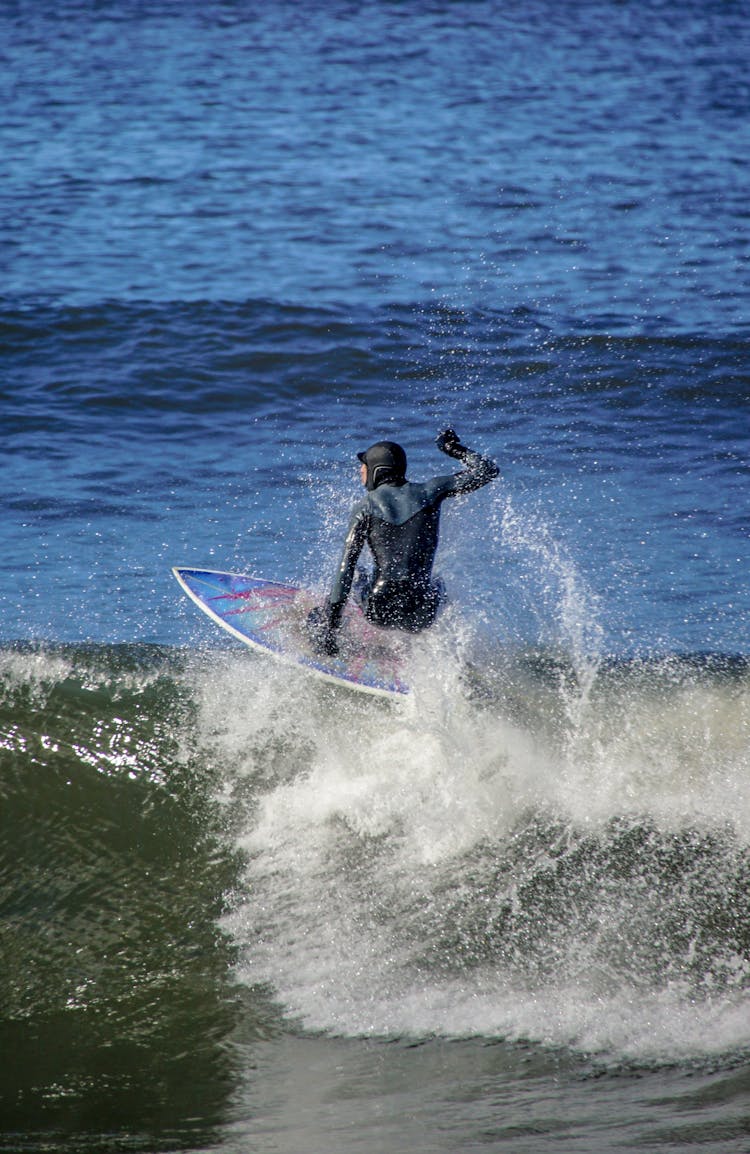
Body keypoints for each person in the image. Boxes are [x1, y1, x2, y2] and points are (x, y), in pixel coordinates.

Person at [307, 429, 499, 656]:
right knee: (439, 586)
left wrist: (329, 625)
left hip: (378, 610)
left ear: (377, 470)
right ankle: (438, 653)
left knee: (357, 575)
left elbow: (344, 571)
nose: (361, 471)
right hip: (421, 613)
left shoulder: (366, 506)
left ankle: (327, 642)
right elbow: (487, 470)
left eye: (364, 465)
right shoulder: (431, 492)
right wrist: (452, 448)